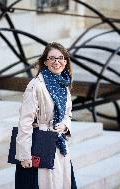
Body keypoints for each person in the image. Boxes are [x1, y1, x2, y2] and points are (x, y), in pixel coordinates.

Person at [15, 42, 77, 189]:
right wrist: (24, 155)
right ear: (45, 62)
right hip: (40, 143)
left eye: (61, 58)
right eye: (52, 58)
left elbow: (68, 114)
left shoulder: (64, 85)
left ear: (66, 61)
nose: (57, 62)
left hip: (59, 146)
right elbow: (25, 122)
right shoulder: (35, 85)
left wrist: (65, 125)